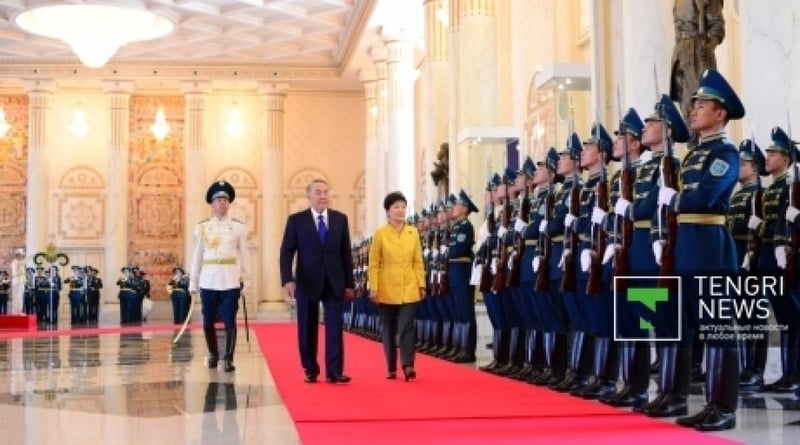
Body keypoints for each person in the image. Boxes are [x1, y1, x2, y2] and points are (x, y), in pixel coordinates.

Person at [658, 68, 744, 431]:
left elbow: (708, 196)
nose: (692, 112)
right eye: (693, 107)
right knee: (687, 328)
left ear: (720, 113)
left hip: (710, 249)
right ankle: (692, 398)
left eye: (701, 106)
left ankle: (722, 407)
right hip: (686, 249)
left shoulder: (725, 152)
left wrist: (675, 198)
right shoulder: (694, 155)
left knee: (719, 331)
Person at [279, 178, 355, 384]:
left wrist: (350, 283)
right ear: (309, 196)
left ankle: (334, 371)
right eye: (318, 192)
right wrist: (287, 279)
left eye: (326, 192)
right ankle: (310, 369)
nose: (323, 196)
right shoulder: (296, 220)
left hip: (334, 281)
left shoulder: (341, 219)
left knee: (334, 327)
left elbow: (346, 254)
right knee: (306, 327)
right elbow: (287, 252)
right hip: (306, 281)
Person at [189, 179, 252, 373]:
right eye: (218, 200)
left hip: (230, 281)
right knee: (208, 321)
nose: (222, 203)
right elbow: (197, 254)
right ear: (212, 203)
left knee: (229, 321)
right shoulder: (202, 227)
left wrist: (247, 279)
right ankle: (214, 354)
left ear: (229, 203)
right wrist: (193, 280)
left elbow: (245, 254)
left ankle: (228, 358)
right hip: (209, 281)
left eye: (225, 199)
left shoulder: (238, 227)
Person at [368, 191, 426, 381]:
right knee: (389, 328)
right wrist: (374, 287)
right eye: (396, 207)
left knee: (408, 326)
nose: (400, 210)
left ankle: (408, 365)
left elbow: (418, 261)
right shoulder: (380, 234)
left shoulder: (413, 232)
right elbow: (374, 263)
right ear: (388, 211)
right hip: (387, 287)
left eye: (403, 206)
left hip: (409, 285)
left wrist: (421, 284)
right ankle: (391, 366)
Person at [670, 0, 725, 119]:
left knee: (697, 102)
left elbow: (717, 25)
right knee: (684, 104)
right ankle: (689, 135)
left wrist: (710, 46)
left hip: (698, 53)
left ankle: (697, 136)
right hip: (680, 53)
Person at [10, 249, 25, 314]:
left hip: (20, 281)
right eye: (21, 255)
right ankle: (16, 311)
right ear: (18, 255)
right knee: (17, 297)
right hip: (17, 281)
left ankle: (18, 311)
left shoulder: (18, 262)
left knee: (20, 297)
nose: (22, 257)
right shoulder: (15, 262)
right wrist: (31, 256)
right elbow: (24, 262)